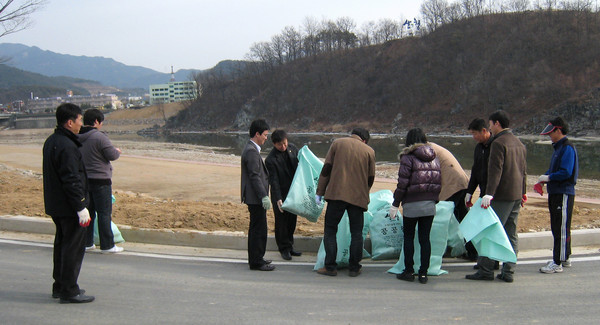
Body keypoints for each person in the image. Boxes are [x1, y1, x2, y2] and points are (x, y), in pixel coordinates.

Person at [466, 110, 527, 283]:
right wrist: (523, 192)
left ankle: (485, 269)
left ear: (497, 124)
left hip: (501, 196)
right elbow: (523, 171)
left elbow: (495, 172)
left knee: (488, 231)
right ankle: (509, 271)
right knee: (511, 233)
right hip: (515, 195)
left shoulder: (498, 144)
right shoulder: (519, 143)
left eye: (491, 123)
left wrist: (489, 194)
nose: (490, 126)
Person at [43, 103, 95, 303]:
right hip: (69, 206)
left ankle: (60, 285)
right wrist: (81, 206)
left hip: (57, 205)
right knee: (73, 248)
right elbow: (71, 179)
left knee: (63, 246)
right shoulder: (66, 145)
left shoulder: (52, 141)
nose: (81, 124)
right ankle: (69, 290)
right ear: (69, 122)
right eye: (80, 120)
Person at [315, 128, 375, 277]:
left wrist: (320, 192)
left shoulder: (337, 143)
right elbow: (370, 178)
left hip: (336, 195)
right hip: (357, 199)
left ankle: (330, 267)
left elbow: (326, 169)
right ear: (365, 140)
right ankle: (354, 267)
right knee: (357, 233)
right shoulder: (369, 151)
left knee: (330, 230)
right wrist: (364, 193)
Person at [389, 128, 442, 284]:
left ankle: (409, 271)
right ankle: (424, 273)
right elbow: (438, 182)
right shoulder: (435, 157)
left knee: (409, 237)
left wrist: (395, 203)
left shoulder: (408, 157)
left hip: (412, 204)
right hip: (429, 205)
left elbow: (402, 184)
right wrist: (434, 200)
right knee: (425, 239)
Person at [78, 108, 123, 253]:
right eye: (101, 122)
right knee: (104, 213)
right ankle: (107, 245)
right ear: (96, 121)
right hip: (101, 180)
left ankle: (87, 243)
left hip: (85, 180)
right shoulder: (99, 137)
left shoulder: (77, 136)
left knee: (88, 213)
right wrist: (117, 151)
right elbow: (111, 155)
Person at [537, 117, 579, 274]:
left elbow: (566, 172)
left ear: (558, 130)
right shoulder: (559, 148)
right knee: (559, 225)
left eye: (551, 133)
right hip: (556, 191)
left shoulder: (567, 147)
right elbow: (554, 170)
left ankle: (557, 262)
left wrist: (549, 178)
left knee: (561, 227)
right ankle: (564, 256)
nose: (549, 136)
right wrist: (544, 177)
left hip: (563, 192)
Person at [427, 141, 472, 259]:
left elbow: (429, 174)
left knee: (442, 219)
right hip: (460, 182)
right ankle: (472, 250)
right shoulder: (432, 147)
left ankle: (441, 249)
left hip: (453, 184)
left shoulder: (427, 150)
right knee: (463, 218)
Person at [241, 119, 274, 271]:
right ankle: (256, 262)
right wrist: (263, 196)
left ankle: (257, 258)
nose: (266, 138)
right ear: (257, 134)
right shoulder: (251, 151)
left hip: (255, 197)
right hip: (255, 198)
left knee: (258, 228)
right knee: (258, 229)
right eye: (265, 135)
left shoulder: (252, 149)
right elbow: (255, 176)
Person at [264, 130, 301, 260]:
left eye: (285, 143)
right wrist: (278, 198)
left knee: (292, 220)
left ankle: (290, 246)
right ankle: (283, 248)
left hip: (293, 192)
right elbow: (273, 181)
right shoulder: (270, 160)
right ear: (274, 144)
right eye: (280, 145)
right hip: (280, 193)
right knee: (281, 222)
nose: (283, 147)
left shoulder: (293, 149)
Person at [463, 118, 494, 261]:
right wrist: (470, 191)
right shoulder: (479, 147)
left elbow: (497, 172)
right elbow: (476, 171)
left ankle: (490, 262)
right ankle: (486, 261)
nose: (474, 137)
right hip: (483, 192)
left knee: (490, 228)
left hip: (493, 194)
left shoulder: (495, 146)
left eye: (475, 133)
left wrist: (491, 193)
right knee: (481, 225)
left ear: (484, 130)